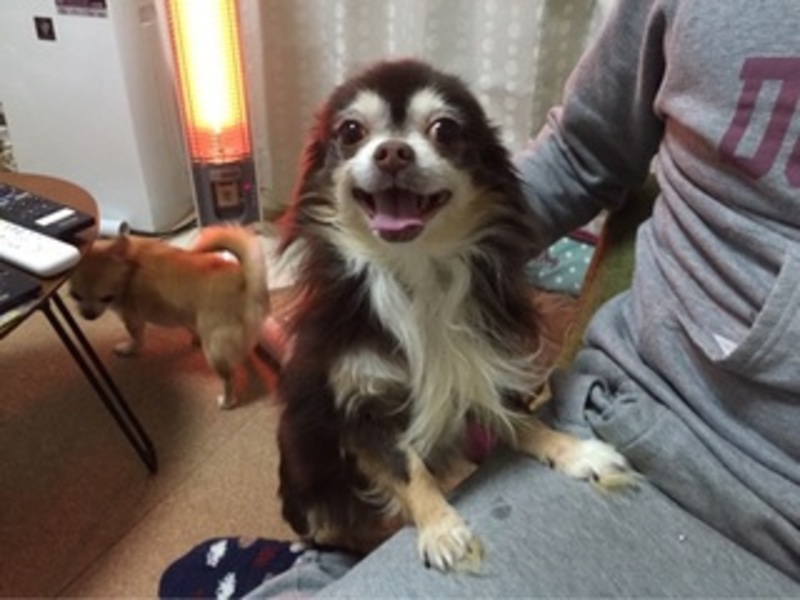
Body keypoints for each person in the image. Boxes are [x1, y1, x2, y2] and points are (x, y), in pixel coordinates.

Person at [161, 0, 800, 596]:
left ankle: (327, 569)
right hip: (643, 412)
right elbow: (581, 151)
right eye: (355, 135)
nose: (392, 153)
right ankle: (331, 552)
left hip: (758, 499)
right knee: (337, 514)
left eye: (440, 131)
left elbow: (485, 387)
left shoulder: (480, 283)